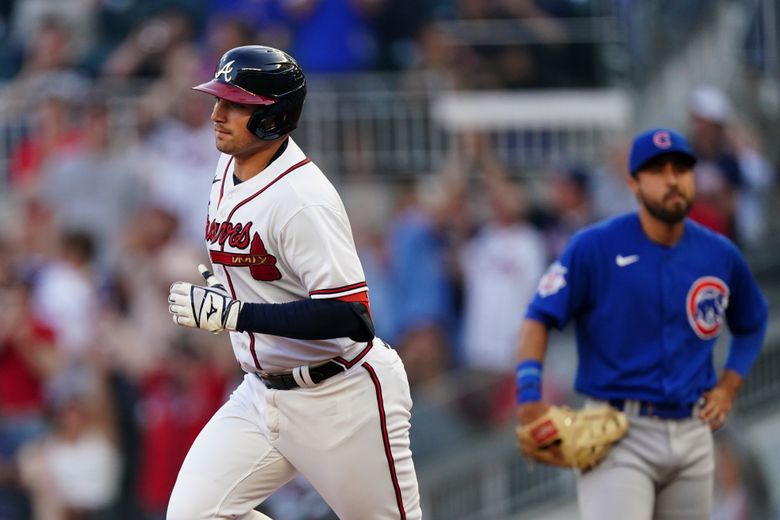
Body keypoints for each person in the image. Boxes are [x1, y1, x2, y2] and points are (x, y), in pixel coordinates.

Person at [166, 45, 421, 520]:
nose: (217, 114)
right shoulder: (229, 167)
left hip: (339, 395)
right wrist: (235, 291)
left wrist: (238, 314)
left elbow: (352, 316)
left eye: (235, 104)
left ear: (273, 117)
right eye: (218, 99)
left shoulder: (304, 199)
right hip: (260, 395)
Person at [514, 128, 768, 520]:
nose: (672, 179)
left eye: (681, 169)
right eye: (658, 170)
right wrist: (529, 394)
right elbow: (538, 316)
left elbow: (753, 320)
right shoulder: (595, 246)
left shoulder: (719, 254)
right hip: (618, 431)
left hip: (692, 431)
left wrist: (730, 385)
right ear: (633, 183)